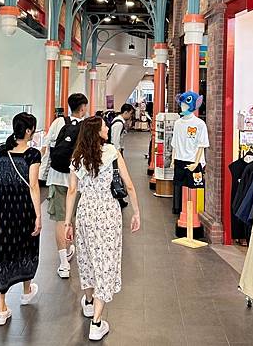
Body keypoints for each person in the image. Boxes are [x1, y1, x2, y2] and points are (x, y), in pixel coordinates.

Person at [65, 116, 141, 341]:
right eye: (104, 127)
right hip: (108, 212)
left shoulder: (77, 157)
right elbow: (128, 185)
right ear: (97, 132)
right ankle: (97, 323)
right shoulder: (112, 153)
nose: (107, 128)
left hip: (86, 212)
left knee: (87, 258)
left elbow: (72, 191)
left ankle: (89, 302)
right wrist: (136, 212)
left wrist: (68, 222)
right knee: (106, 263)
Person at [0, 112, 42, 326]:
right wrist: (38, 215)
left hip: (3, 210)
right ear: (28, 131)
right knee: (27, 247)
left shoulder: (0, 152)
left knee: (1, 253)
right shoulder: (32, 155)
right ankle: (26, 291)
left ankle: (1, 309)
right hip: (24, 210)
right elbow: (33, 186)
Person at [42, 93, 89, 278]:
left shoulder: (58, 122)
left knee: (60, 220)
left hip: (56, 177)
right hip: (77, 180)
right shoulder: (86, 127)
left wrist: (43, 174)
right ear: (82, 108)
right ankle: (70, 248)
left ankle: (63, 263)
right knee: (73, 216)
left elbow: (47, 148)